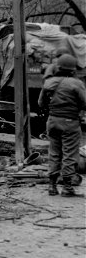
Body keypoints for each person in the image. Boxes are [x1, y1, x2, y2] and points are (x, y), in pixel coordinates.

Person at [38, 54, 85, 197]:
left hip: (52, 121)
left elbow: (40, 103)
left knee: (54, 153)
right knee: (70, 154)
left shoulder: (49, 82)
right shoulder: (76, 83)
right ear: (72, 70)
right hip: (70, 122)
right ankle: (67, 188)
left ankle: (52, 187)